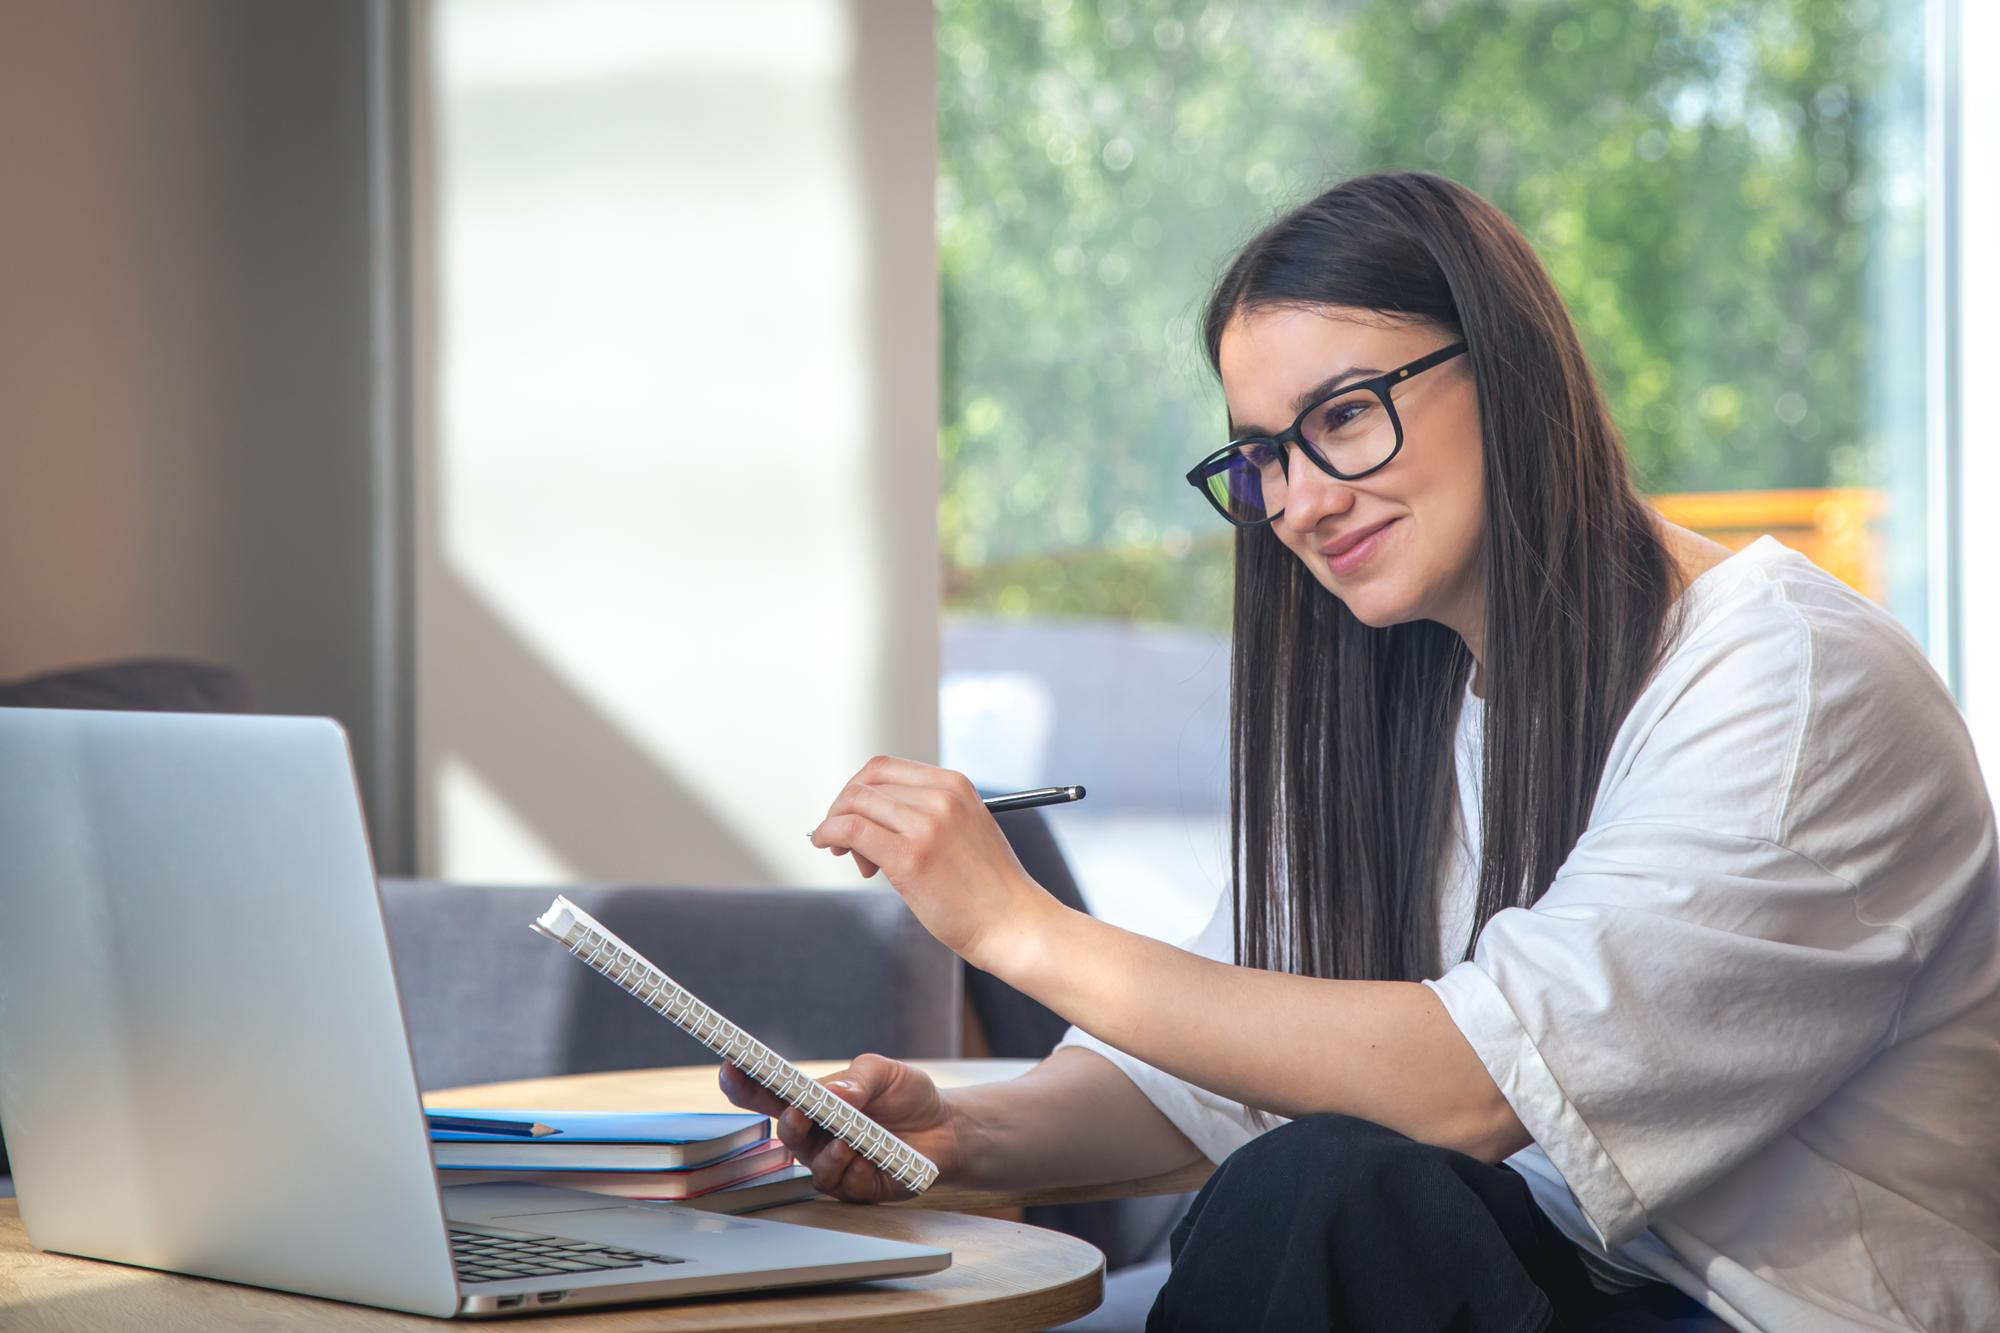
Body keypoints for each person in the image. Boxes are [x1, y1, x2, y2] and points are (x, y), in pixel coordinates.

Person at [720, 172, 2000, 1330]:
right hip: (1539, 1269)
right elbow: (1211, 1075)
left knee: (1323, 1196)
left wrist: (1014, 927)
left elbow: (1475, 1090)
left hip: (1760, 1308)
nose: (1299, 499)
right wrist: (958, 1134)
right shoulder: (1405, 687)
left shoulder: (1786, 678)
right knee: (1318, 1197)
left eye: (1342, 415)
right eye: (1262, 455)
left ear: (1506, 373)